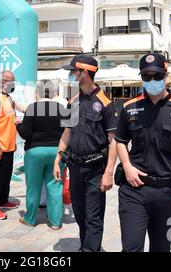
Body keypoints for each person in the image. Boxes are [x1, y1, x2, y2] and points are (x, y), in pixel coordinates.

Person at [115, 53, 171, 252]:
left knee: (162, 248)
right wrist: (127, 166)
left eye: (156, 75)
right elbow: (120, 141)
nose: (152, 80)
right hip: (133, 190)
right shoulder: (130, 107)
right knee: (131, 248)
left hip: (169, 194)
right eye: (146, 76)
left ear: (165, 75)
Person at [53, 54, 118, 252]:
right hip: (75, 167)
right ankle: (87, 247)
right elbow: (67, 132)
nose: (71, 74)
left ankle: (90, 249)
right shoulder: (73, 102)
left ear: (85, 73)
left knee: (93, 216)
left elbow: (114, 141)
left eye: (74, 71)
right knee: (80, 213)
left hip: (96, 169)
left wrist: (108, 172)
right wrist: (58, 158)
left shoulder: (106, 103)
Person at [16, 80, 67, 229]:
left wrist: (18, 124)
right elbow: (68, 132)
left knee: (33, 186)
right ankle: (55, 222)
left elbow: (25, 134)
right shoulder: (61, 108)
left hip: (35, 152)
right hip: (57, 151)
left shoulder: (32, 108)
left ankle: (30, 218)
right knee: (55, 186)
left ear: (37, 93)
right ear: (54, 93)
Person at [0, 70, 25, 220]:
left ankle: (3, 200)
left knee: (6, 175)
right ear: (3, 81)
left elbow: (22, 108)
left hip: (9, 145)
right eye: (11, 81)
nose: (13, 84)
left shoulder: (8, 97)